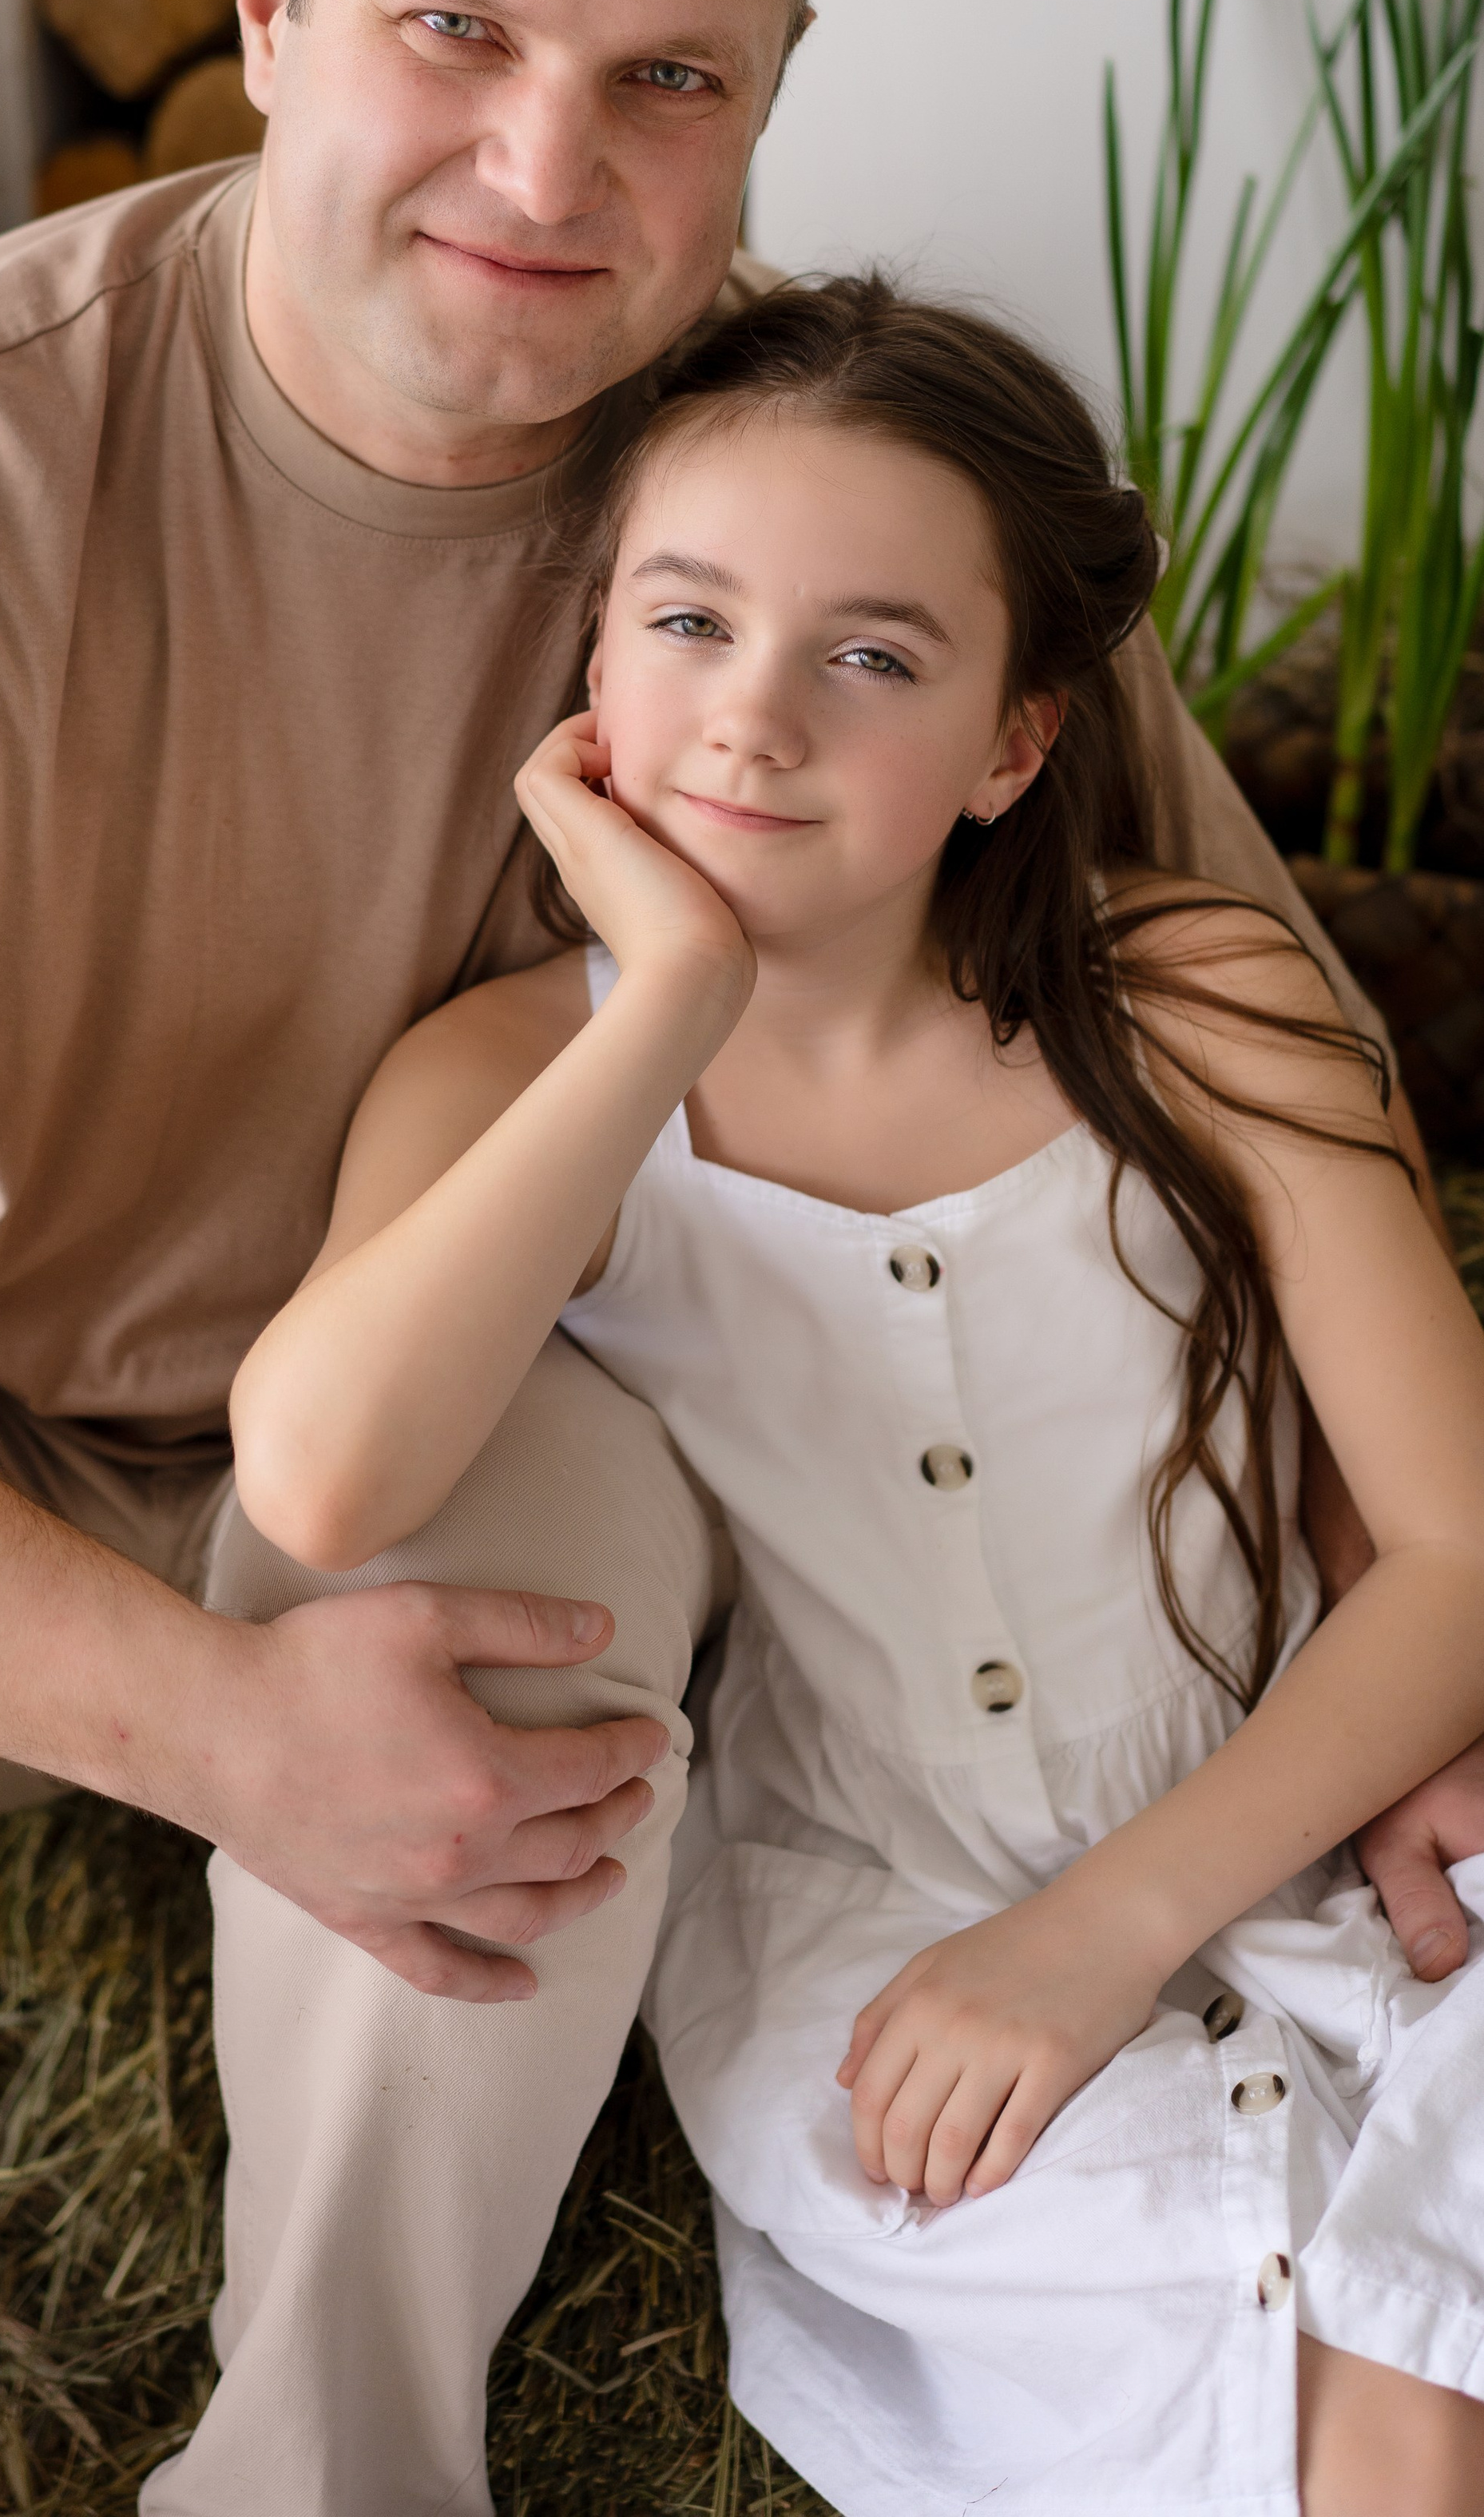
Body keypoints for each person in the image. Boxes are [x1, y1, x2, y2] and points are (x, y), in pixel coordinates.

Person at [0, 0, 1474, 2517]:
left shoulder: (820, 501)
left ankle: (329, 2476)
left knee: (531, 1538)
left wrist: (1403, 1670)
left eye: (669, 79)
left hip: (497, 1421)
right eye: (455, 31)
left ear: (767, 97)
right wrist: (204, 1724)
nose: (547, 164)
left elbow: (1262, 1094)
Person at [230, 274, 1484, 2516]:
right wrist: (669, 998)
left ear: (1015, 742)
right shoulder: (509, 1077)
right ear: (593, 658)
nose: (753, 719)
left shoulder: (1195, 1001)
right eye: (687, 623)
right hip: (874, 1918)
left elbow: (1464, 1550)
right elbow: (325, 1477)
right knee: (1322, 2398)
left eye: (875, 658)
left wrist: (1112, 1926)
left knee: (1421, 2363)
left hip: (1311, 1788)